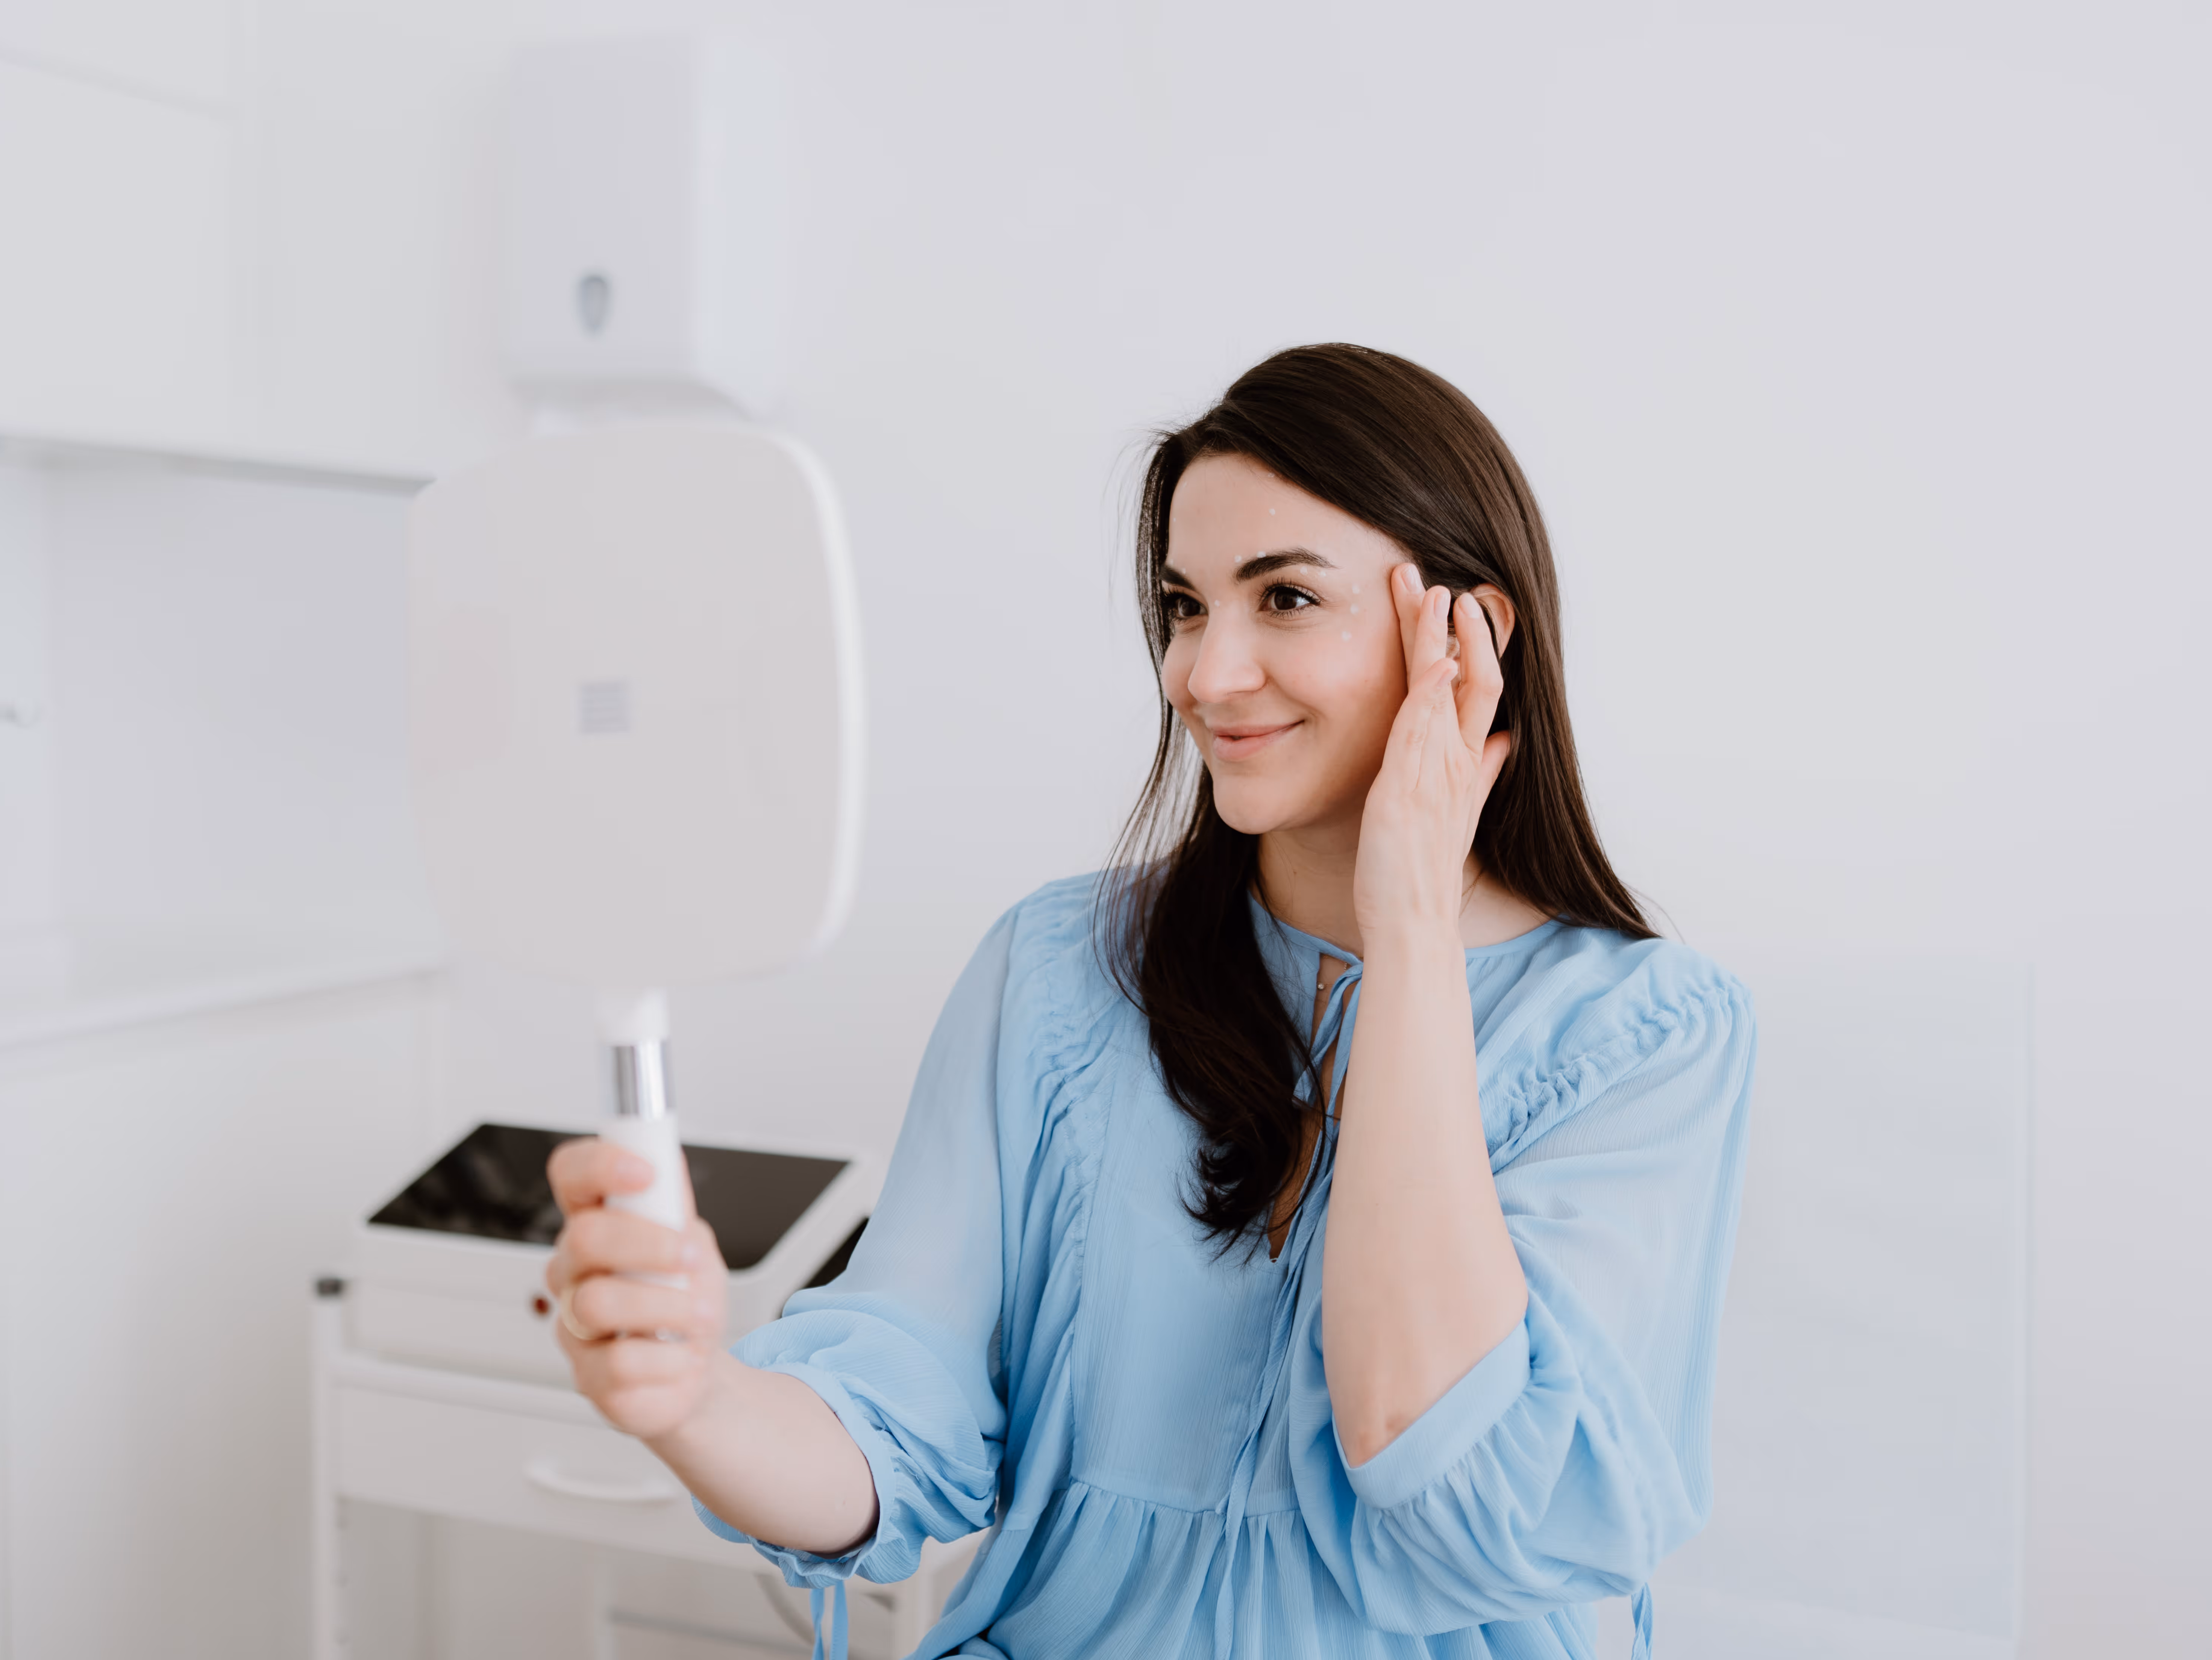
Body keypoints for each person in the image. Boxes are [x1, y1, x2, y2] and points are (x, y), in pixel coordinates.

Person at [543, 343, 1755, 1660]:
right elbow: (894, 1425)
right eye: (1185, 606)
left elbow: (1457, 1496)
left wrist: (1410, 926)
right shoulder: (1061, 968)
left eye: (1285, 598)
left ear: (1469, 638)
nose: (1204, 674)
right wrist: (695, 1399)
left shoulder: (1645, 1038)